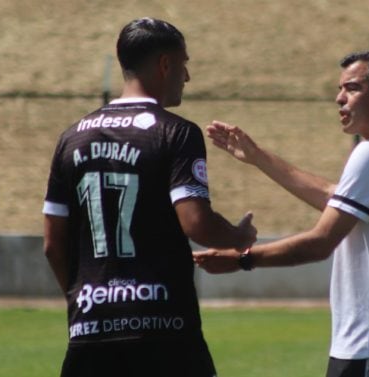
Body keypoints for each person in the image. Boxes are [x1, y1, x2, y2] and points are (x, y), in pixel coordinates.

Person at [194, 51, 369, 377]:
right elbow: (333, 197)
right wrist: (257, 157)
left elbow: (320, 242)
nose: (339, 98)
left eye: (352, 88)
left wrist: (242, 259)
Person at [42, 17, 256, 377]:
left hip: (89, 331)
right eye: (184, 64)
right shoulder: (175, 133)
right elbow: (196, 223)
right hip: (163, 330)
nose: (186, 77)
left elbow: (52, 244)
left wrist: (83, 302)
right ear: (165, 64)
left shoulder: (71, 137)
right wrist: (239, 238)